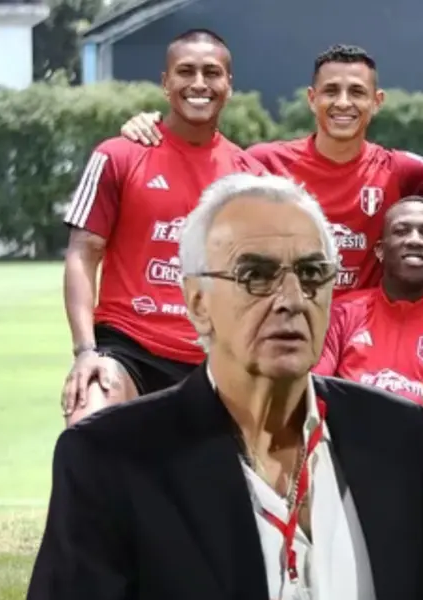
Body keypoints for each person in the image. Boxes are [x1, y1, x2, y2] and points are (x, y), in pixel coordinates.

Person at [29, 173, 423, 600]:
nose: (292, 299)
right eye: (256, 275)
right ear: (198, 302)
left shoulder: (398, 435)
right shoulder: (109, 459)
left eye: (311, 273)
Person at [116, 44, 423, 297]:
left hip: (360, 342)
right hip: (286, 329)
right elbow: (201, 156)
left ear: (376, 102)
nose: (343, 103)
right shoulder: (263, 163)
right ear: (311, 98)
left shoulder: (403, 171)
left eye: (357, 92)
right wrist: (153, 125)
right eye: (331, 91)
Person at [60, 29, 264, 427]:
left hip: (215, 359)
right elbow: (82, 254)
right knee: (87, 424)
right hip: (127, 350)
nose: (199, 83)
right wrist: (85, 351)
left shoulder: (250, 176)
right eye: (186, 71)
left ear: (229, 84)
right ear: (165, 82)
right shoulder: (118, 155)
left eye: (212, 73)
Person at [313, 195, 423, 596]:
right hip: (337, 461)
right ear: (380, 249)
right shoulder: (340, 314)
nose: (415, 239)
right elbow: (312, 402)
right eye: (402, 230)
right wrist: (413, 412)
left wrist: (353, 404)